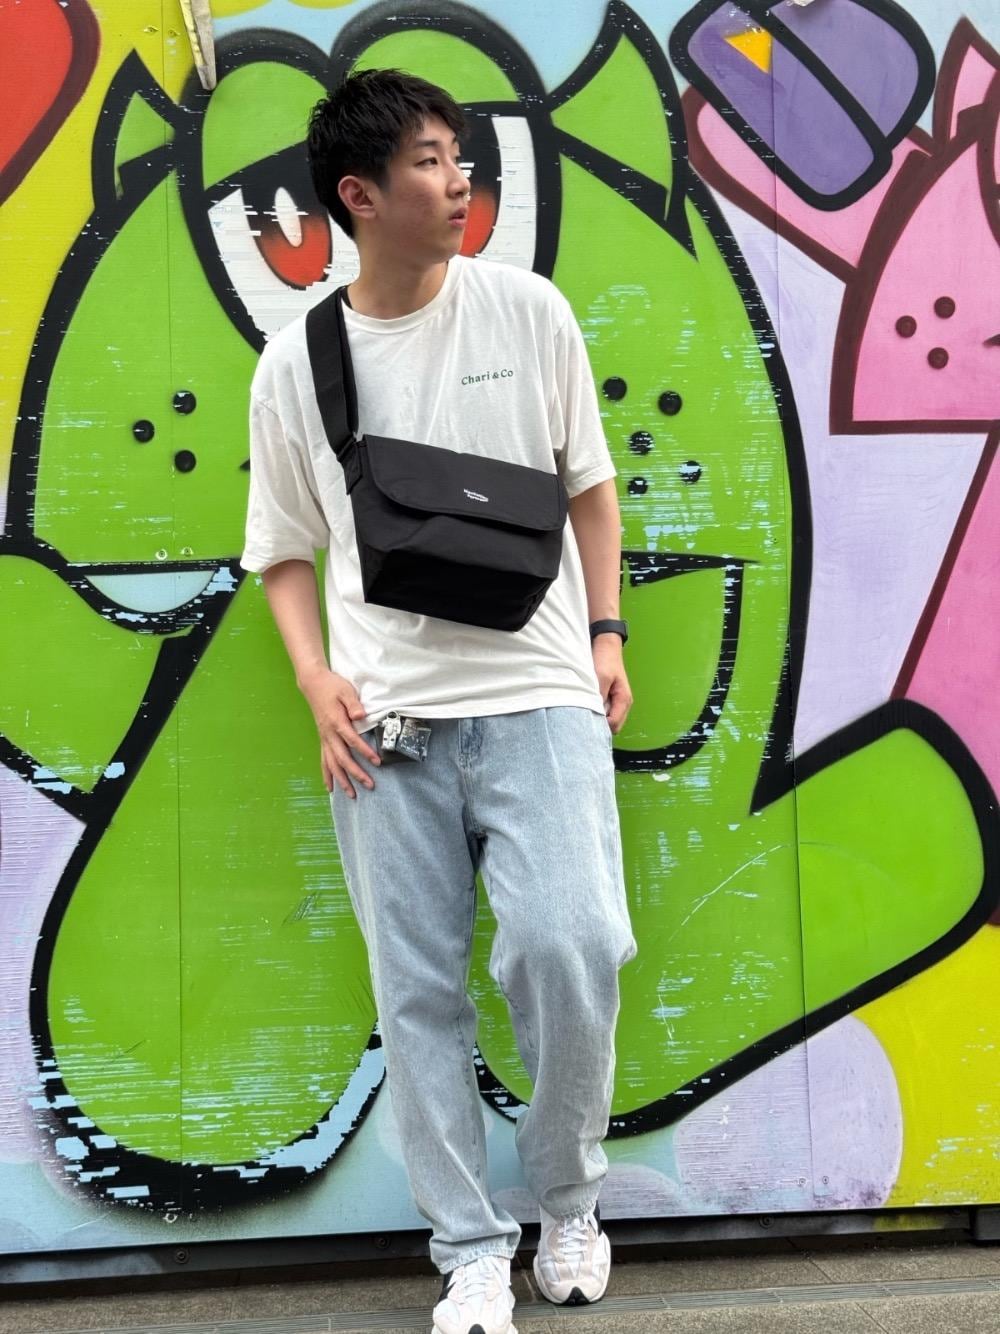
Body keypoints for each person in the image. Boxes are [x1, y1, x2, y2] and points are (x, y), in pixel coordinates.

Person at [241, 66, 637, 1334]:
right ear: (359, 196)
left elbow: (589, 486)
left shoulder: (527, 310)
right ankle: (468, 1247)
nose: (460, 180)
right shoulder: (297, 361)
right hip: (386, 722)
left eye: (459, 156)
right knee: (415, 992)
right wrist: (315, 679)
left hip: (539, 689)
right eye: (428, 161)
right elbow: (281, 550)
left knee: (571, 945)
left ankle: (567, 1198)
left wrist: (607, 630)